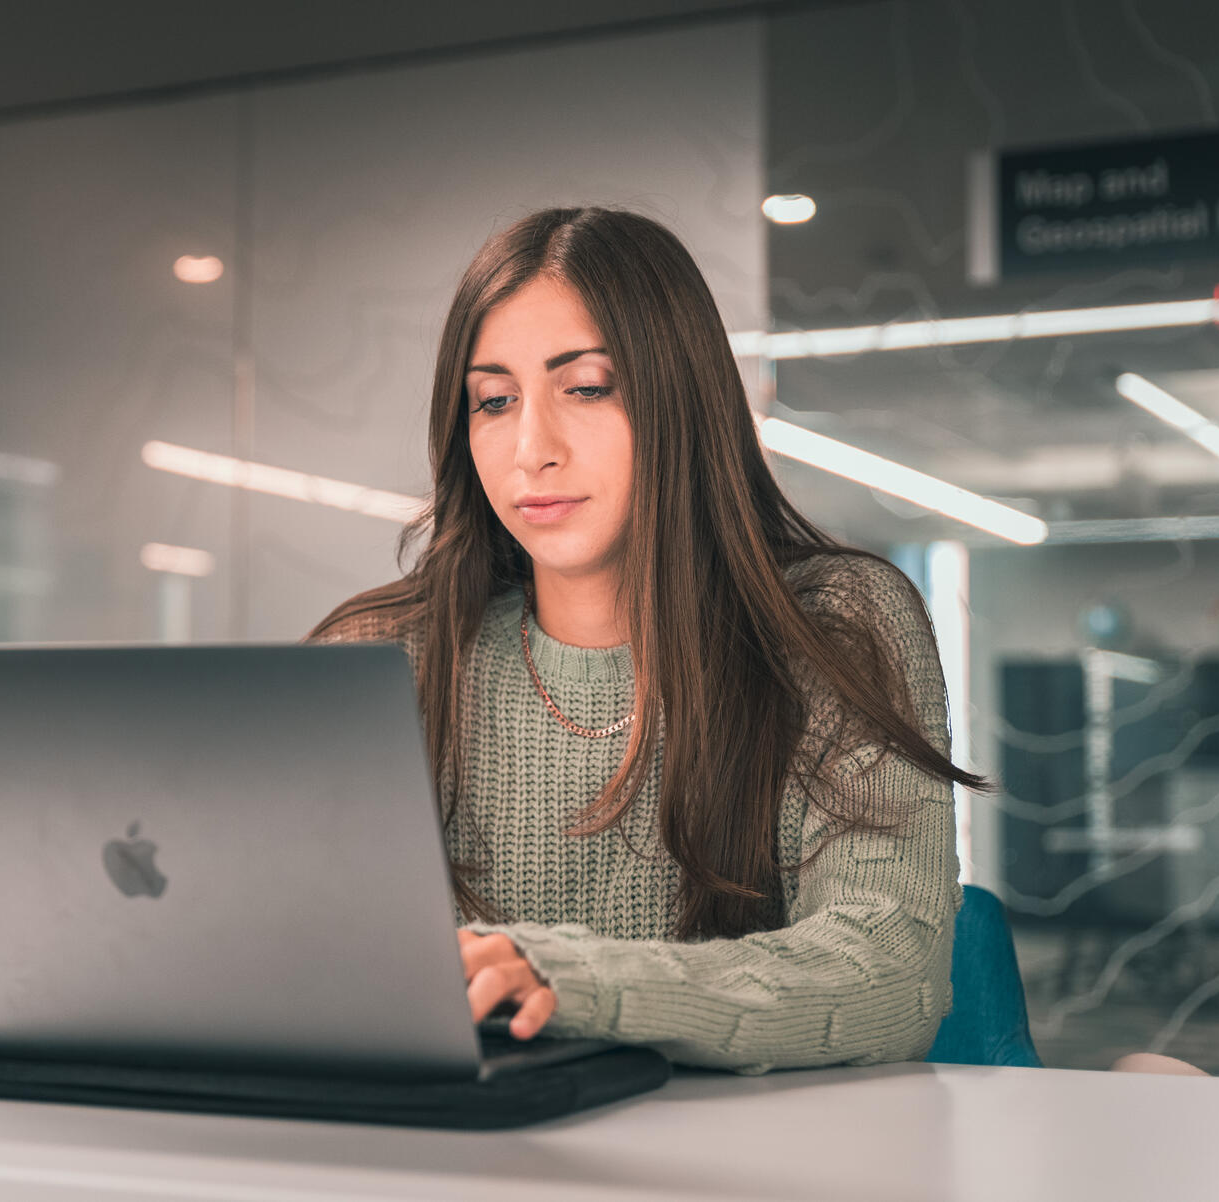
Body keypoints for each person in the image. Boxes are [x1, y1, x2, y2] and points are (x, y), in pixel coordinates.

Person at [305, 206, 976, 1075]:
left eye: (585, 387)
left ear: (678, 396)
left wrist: (567, 981)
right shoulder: (389, 655)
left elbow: (888, 972)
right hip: (452, 1154)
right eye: (494, 400)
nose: (530, 449)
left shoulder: (838, 625)